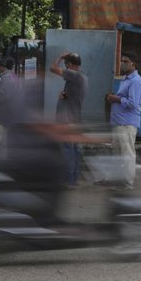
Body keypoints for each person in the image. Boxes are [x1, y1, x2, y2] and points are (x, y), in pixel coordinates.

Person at [105, 50, 141, 190]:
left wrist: (116, 99)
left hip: (127, 123)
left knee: (127, 154)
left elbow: (133, 103)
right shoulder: (126, 79)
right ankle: (118, 180)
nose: (122, 64)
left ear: (133, 64)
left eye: (125, 61)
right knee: (118, 153)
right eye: (121, 61)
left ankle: (127, 184)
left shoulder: (135, 81)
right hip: (118, 121)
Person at [50, 51, 88, 188]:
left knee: (68, 151)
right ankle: (73, 179)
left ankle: (68, 181)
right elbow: (72, 97)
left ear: (70, 65)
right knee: (74, 150)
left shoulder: (74, 75)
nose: (64, 69)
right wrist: (63, 97)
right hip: (75, 119)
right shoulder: (82, 77)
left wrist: (60, 56)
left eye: (66, 66)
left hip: (67, 121)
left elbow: (53, 68)